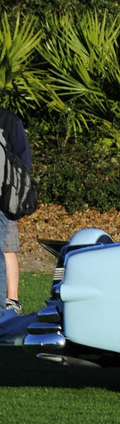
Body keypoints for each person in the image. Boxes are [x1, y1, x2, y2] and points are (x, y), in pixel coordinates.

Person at [0, 105, 32, 314]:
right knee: (6, 249)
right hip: (6, 194)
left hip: (6, 198)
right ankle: (10, 303)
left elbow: (23, 163)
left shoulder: (9, 120)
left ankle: (10, 302)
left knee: (7, 249)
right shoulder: (10, 120)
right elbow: (24, 160)